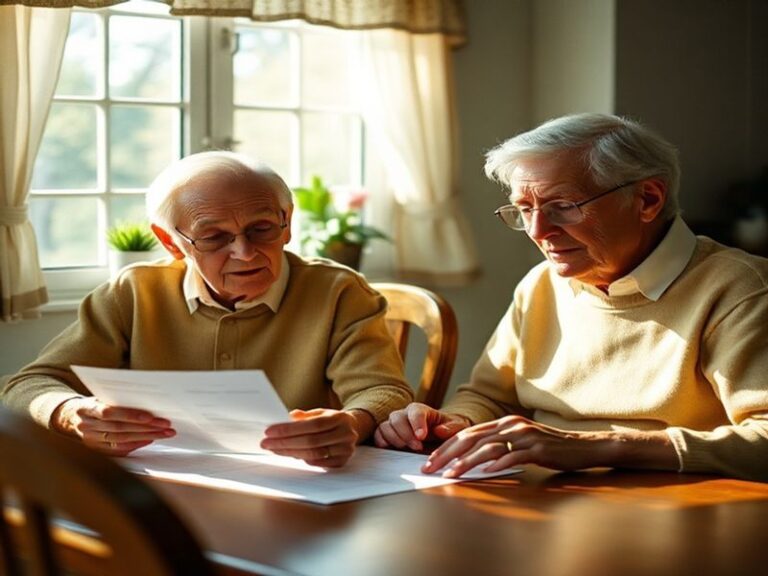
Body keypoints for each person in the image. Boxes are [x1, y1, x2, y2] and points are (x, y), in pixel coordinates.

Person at [374, 113, 768, 482]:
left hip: (673, 506)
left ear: (648, 199)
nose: (539, 231)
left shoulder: (740, 287)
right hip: (539, 496)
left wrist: (600, 447)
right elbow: (489, 397)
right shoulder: (542, 283)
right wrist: (451, 424)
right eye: (524, 209)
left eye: (562, 207)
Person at [2, 151, 413, 467]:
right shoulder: (132, 292)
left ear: (287, 222)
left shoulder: (340, 292)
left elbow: (385, 392)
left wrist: (354, 421)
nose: (244, 251)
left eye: (262, 228)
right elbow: (27, 384)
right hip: (161, 494)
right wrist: (71, 412)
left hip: (295, 488)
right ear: (169, 241)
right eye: (214, 237)